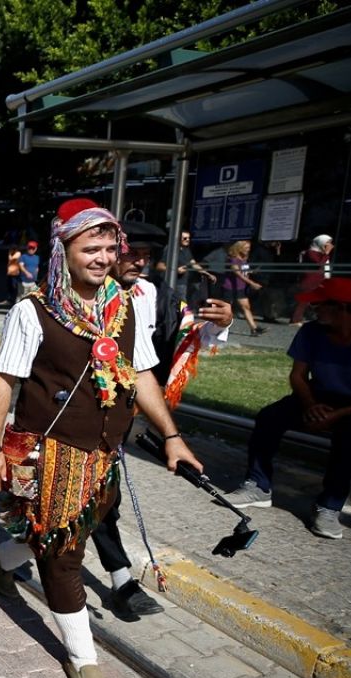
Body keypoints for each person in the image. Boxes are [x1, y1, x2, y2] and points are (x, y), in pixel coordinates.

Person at [0, 199, 201, 678]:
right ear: (64, 250)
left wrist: (172, 435)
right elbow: (4, 382)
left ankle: (5, 556)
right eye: (90, 248)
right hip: (50, 450)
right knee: (63, 552)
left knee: (87, 520)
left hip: (105, 449)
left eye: (109, 247)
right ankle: (83, 659)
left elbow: (143, 374)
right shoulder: (31, 311)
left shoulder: (126, 305)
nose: (102, 257)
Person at [78, 235, 232, 618]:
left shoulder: (154, 294)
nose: (139, 262)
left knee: (88, 501)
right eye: (132, 254)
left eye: (146, 256)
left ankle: (10, 554)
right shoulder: (80, 297)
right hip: (77, 414)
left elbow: (183, 335)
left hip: (123, 414)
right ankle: (122, 582)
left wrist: (220, 325)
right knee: (97, 499)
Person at [223, 277, 351, 539]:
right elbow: (298, 376)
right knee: (269, 417)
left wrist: (336, 415)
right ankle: (259, 485)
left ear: (342, 308)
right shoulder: (311, 331)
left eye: (320, 305)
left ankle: (329, 506)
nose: (314, 310)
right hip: (316, 396)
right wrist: (311, 405)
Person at [222, 240, 265, 336]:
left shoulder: (244, 259)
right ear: (239, 248)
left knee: (246, 307)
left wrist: (252, 272)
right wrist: (252, 283)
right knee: (226, 309)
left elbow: (245, 272)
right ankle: (218, 328)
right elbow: (238, 274)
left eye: (249, 248)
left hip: (240, 287)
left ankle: (254, 328)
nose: (248, 250)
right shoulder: (233, 260)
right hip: (230, 287)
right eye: (246, 248)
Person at [292, 234, 334, 325]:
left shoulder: (321, 254)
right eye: (327, 243)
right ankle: (295, 320)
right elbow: (319, 264)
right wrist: (326, 254)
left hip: (319, 280)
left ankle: (316, 318)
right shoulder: (311, 252)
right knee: (304, 301)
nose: (329, 246)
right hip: (310, 280)